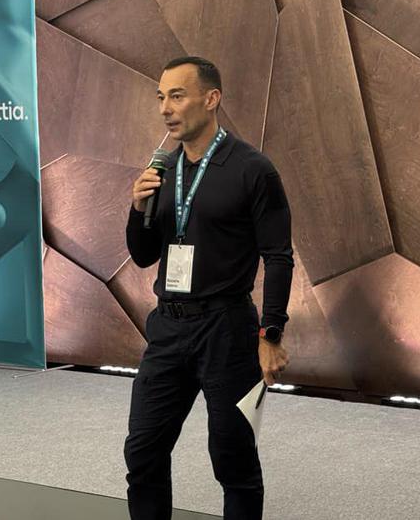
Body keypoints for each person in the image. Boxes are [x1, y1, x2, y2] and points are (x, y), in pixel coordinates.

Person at [124, 56, 294, 520]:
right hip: (168, 329)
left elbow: (278, 256)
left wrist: (271, 334)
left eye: (177, 96)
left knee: (233, 459)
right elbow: (143, 255)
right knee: (143, 452)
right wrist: (137, 208)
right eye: (161, 97)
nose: (165, 108)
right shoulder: (164, 171)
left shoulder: (253, 170)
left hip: (228, 331)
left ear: (211, 98)